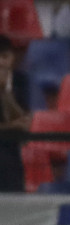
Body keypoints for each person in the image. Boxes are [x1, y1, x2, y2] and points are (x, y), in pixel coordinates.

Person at [0, 34, 29, 192]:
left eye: (4, 56)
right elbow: (17, 123)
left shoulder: (21, 81)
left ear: (12, 57)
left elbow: (24, 123)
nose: (0, 62)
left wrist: (5, 93)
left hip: (11, 157)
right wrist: (11, 126)